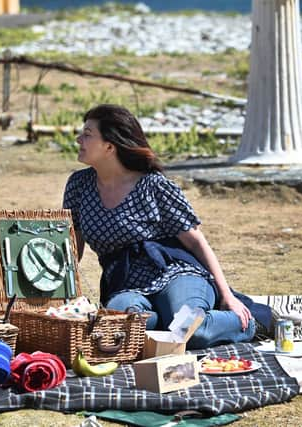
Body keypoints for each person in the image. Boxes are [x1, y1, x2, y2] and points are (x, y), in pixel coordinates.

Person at [63, 104, 272, 349]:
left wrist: (227, 296)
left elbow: (196, 241)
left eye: (87, 134)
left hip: (174, 273)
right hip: (125, 283)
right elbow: (71, 246)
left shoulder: (154, 186)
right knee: (116, 332)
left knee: (190, 331)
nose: (79, 139)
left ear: (109, 146)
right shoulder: (79, 185)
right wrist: (60, 296)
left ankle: (251, 322)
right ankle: (164, 321)